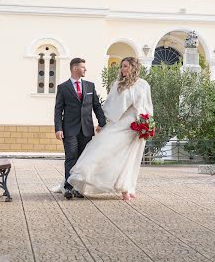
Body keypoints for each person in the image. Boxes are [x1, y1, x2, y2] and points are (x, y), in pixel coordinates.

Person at [68, 56, 153, 201]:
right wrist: (103, 123)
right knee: (101, 148)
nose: (122, 69)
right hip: (119, 124)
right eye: (122, 66)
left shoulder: (143, 85)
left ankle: (127, 187)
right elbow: (110, 105)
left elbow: (146, 106)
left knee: (129, 157)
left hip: (135, 126)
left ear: (133, 67)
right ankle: (83, 176)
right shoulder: (118, 84)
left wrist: (146, 124)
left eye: (125, 66)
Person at [54, 57, 106, 200]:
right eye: (83, 67)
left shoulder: (90, 86)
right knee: (71, 158)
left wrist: (102, 123)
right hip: (69, 129)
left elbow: (96, 106)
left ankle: (78, 188)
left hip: (86, 129)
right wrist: (58, 128)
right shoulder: (63, 88)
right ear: (75, 68)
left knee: (83, 160)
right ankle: (68, 188)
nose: (85, 69)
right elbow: (58, 110)